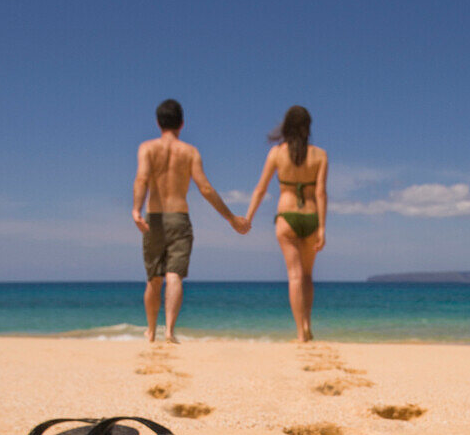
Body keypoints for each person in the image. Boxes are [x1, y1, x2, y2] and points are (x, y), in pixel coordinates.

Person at [132, 99, 249, 343]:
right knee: (174, 275)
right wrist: (230, 218)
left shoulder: (147, 148)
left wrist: (136, 210)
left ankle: (151, 331)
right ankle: (170, 332)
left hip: (153, 218)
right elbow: (205, 188)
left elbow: (142, 178)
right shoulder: (190, 152)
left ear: (158, 122)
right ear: (182, 124)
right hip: (179, 218)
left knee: (154, 277)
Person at [245, 106, 327, 342]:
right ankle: (308, 326)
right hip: (311, 216)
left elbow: (260, 189)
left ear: (287, 126)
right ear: (308, 127)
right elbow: (320, 193)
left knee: (295, 276)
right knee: (308, 276)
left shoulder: (276, 153)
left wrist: (249, 217)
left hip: (286, 218)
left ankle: (300, 333)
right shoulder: (320, 155)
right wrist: (322, 227)